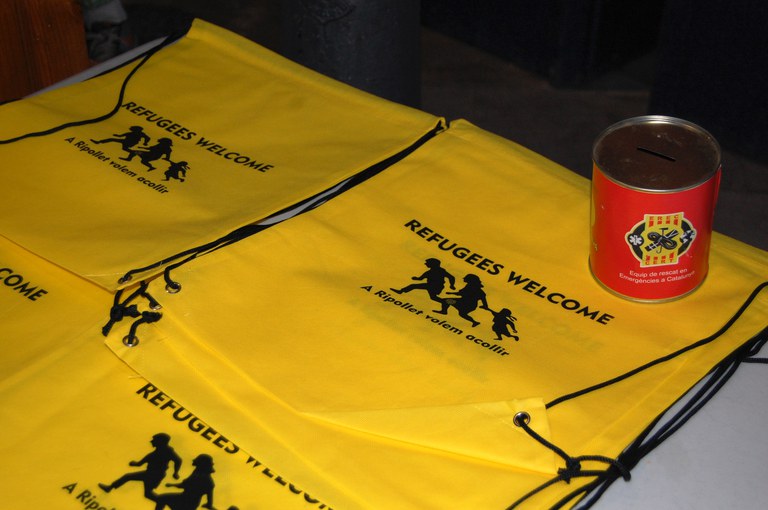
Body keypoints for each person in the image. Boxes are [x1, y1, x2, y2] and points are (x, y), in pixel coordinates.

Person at [99, 433, 182, 499]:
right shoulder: (156, 452)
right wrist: (135, 464)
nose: (151, 441)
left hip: (156, 475)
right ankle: (109, 488)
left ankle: (163, 502)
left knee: (131, 480)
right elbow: (141, 462)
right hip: (150, 473)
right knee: (147, 493)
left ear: (160, 442)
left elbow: (178, 460)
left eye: (154, 440)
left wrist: (175, 473)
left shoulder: (167, 452)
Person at [390, 258, 455, 303]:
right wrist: (416, 278)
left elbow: (451, 277)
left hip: (436, 286)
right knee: (433, 297)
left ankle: (401, 291)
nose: (425, 264)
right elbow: (421, 278)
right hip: (430, 285)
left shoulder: (441, 271)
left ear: (433, 264)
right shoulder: (429, 272)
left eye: (427, 263)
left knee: (413, 286)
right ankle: (446, 302)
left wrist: (452, 285)